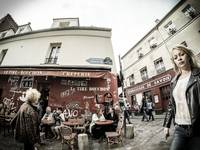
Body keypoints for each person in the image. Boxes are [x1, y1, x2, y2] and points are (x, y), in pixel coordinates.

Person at [163, 45, 200, 150]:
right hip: (179, 129)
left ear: (188, 56)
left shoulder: (198, 76)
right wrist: (166, 125)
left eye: (181, 54)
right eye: (175, 57)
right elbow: (171, 104)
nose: (179, 58)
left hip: (197, 128)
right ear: (174, 62)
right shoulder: (174, 81)